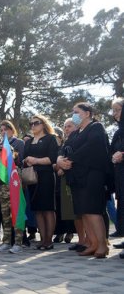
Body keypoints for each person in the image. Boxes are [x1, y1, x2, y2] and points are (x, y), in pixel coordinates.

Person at [58, 102, 111, 258]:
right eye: (73, 112)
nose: (74, 114)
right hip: (77, 177)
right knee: (84, 212)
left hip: (93, 175)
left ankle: (102, 245)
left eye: (77, 111)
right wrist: (60, 159)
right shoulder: (75, 133)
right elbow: (64, 148)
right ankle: (93, 243)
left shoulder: (96, 127)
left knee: (93, 210)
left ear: (87, 113)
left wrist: (71, 160)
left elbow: (92, 146)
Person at [24, 115, 58, 250]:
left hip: (46, 177)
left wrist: (36, 160)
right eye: (30, 124)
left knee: (48, 209)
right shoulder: (28, 141)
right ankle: (42, 239)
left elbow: (52, 158)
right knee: (37, 210)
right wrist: (27, 160)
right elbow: (25, 158)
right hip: (32, 178)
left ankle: (49, 240)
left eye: (36, 123)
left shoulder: (50, 138)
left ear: (43, 124)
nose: (32, 126)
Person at [52, 127, 75, 244]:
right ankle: (59, 232)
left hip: (65, 181)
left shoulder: (64, 147)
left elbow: (69, 161)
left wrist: (63, 169)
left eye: (55, 136)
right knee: (58, 208)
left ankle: (70, 232)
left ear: (60, 137)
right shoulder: (51, 148)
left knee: (67, 206)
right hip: (54, 181)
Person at [110, 97, 124, 239]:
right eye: (113, 111)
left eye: (118, 110)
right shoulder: (118, 131)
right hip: (119, 173)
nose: (114, 113)